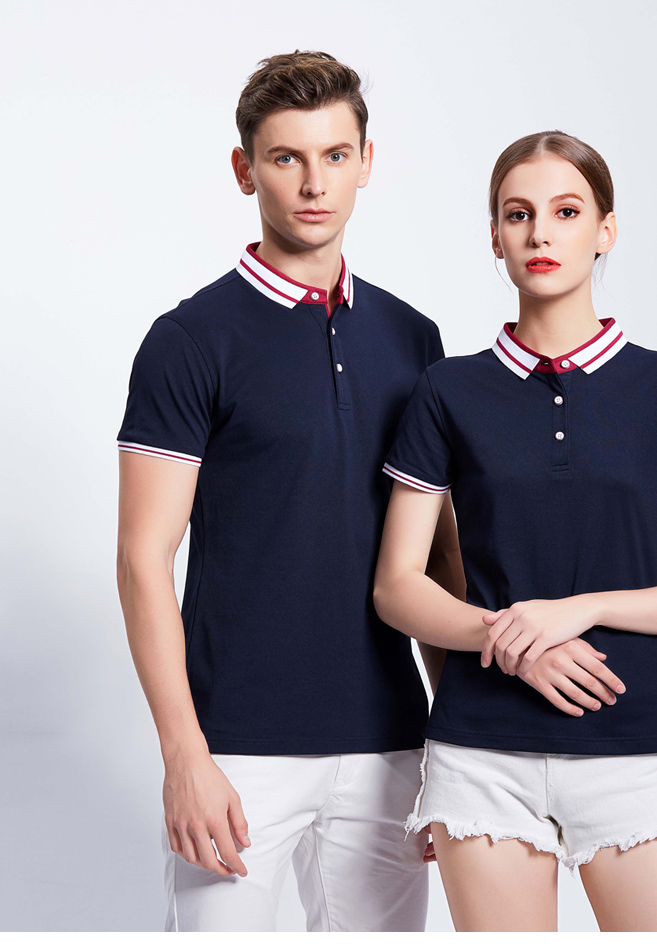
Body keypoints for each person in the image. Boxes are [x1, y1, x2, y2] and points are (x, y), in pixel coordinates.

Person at [115, 50, 466, 932]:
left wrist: (456, 740)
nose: (315, 183)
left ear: (366, 162)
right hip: (236, 750)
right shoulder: (190, 340)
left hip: (391, 742)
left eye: (335, 155)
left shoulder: (414, 337)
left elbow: (439, 556)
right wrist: (184, 754)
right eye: (286, 158)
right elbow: (142, 557)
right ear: (246, 170)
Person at [373, 130, 657, 932]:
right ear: (496, 236)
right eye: (519, 214)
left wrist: (580, 609)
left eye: (566, 211)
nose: (540, 232)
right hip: (483, 753)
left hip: (631, 744)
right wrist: (513, 639)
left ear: (605, 230)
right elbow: (398, 586)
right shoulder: (448, 390)